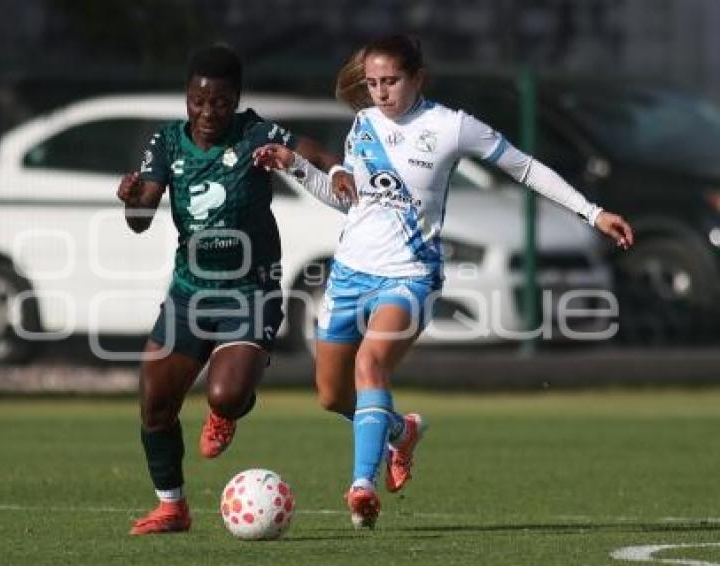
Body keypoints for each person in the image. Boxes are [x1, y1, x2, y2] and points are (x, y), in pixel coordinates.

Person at [253, 34, 634, 529]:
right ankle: (399, 432)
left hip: (412, 276)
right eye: (372, 83)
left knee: (370, 364)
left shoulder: (451, 127)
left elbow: (524, 167)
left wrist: (593, 212)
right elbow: (351, 202)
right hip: (348, 273)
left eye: (391, 81)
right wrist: (297, 167)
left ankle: (362, 486)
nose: (380, 93)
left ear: (418, 78)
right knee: (331, 395)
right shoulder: (364, 123)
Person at [117, 44, 341, 535]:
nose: (206, 112)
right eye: (197, 101)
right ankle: (172, 507)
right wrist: (132, 200)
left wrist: (343, 175)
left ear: (235, 99)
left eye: (218, 102)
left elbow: (312, 152)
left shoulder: (255, 132)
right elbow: (140, 220)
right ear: (186, 98)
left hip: (250, 290)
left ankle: (228, 411)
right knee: (154, 403)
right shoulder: (168, 142)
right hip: (189, 292)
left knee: (225, 394)